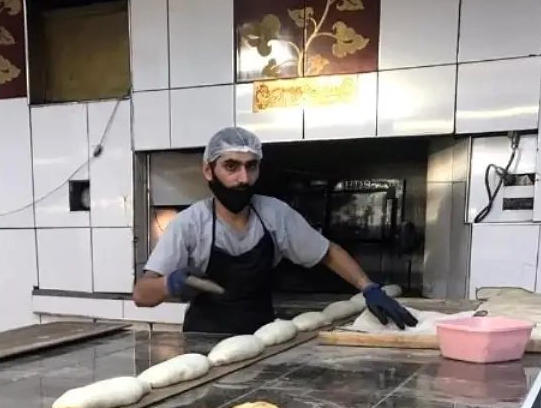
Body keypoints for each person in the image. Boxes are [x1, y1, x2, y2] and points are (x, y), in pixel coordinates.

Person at [132, 127, 416, 335]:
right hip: (204, 339)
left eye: (251, 167)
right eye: (231, 167)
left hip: (263, 335)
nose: (243, 178)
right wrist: (170, 284)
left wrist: (368, 287)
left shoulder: (274, 214)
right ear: (209, 171)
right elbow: (141, 295)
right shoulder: (190, 224)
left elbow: (327, 252)